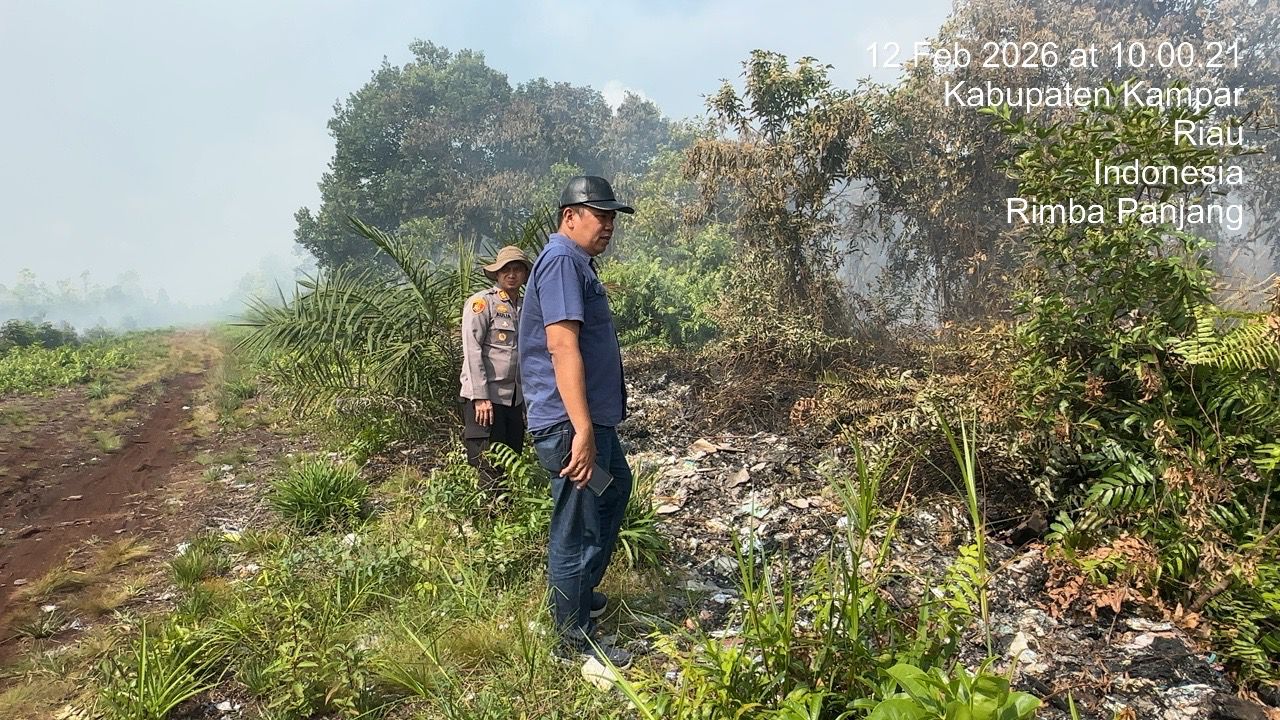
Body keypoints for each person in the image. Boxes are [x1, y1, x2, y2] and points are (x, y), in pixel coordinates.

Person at [519, 175, 635, 669]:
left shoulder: (576, 263)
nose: (608, 225)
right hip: (571, 426)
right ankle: (572, 640)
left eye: (612, 218)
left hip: (586, 422)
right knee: (578, 526)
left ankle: (579, 595)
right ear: (570, 217)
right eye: (600, 215)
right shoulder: (563, 260)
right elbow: (562, 345)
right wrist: (582, 431)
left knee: (613, 490)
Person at [459, 245, 532, 470]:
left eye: (517, 269)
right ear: (497, 274)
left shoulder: (527, 307)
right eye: (505, 270)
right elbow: (472, 349)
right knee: (488, 468)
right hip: (486, 400)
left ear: (524, 274)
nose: (511, 274)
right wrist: (480, 397)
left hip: (514, 401)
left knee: (511, 467)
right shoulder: (483, 303)